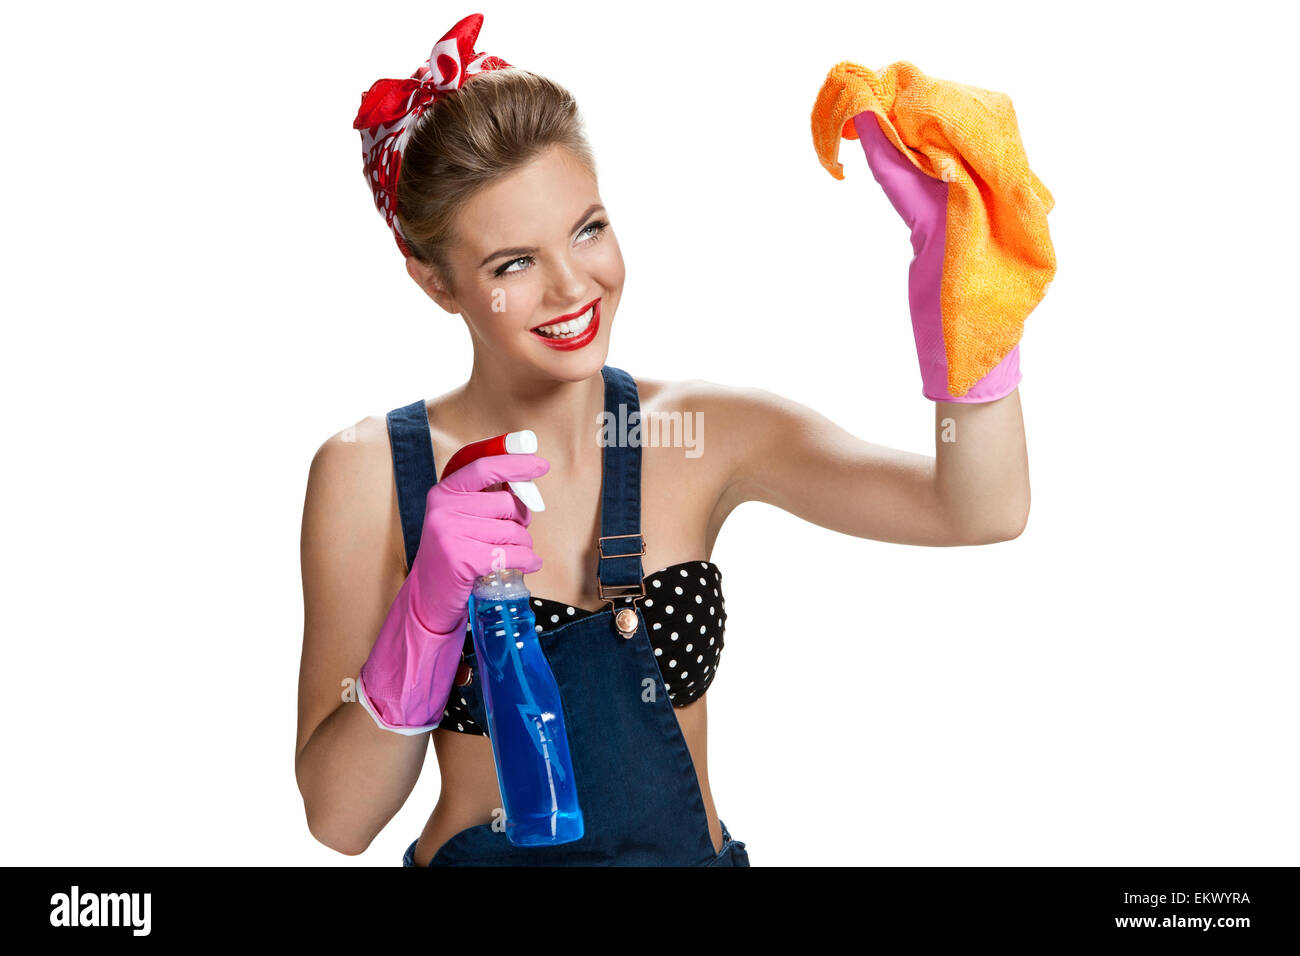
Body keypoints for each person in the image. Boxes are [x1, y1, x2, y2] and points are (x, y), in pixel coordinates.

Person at [294, 14, 1031, 867]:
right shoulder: (368, 471)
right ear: (435, 281)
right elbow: (339, 821)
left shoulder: (705, 432)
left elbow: (979, 508)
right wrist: (423, 615)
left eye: (588, 228)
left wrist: (966, 302)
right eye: (512, 264)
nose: (575, 287)